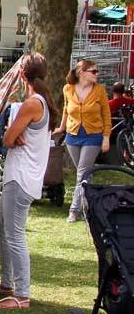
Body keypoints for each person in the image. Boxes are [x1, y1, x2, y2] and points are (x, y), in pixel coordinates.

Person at [0, 53, 57, 309]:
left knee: (14, 234)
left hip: (21, 177)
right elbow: (12, 136)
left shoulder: (32, 103)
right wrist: (13, 134)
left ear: (21, 75)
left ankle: (22, 294)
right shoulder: (42, 101)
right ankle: (7, 283)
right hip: (18, 176)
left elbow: (7, 139)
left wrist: (12, 134)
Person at [62, 59, 111, 222]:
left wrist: (106, 137)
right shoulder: (68, 89)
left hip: (93, 135)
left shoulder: (100, 91)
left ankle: (74, 210)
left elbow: (106, 115)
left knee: (82, 172)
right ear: (82, 73)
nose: (97, 74)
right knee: (85, 175)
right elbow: (66, 110)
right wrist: (61, 128)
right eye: (94, 71)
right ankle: (91, 208)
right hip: (73, 135)